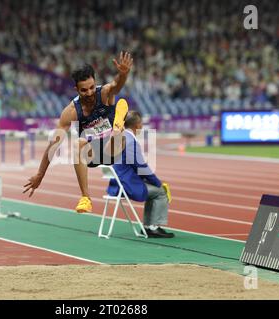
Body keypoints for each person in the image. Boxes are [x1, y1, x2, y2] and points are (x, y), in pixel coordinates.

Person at [23, 51, 133, 213]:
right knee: (78, 143)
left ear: (95, 83)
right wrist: (40, 174)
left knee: (122, 129)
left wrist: (123, 74)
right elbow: (54, 144)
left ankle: (118, 125)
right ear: (76, 89)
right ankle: (85, 199)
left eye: (91, 87)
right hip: (96, 153)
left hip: (117, 146)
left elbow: (116, 85)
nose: (89, 93)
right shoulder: (71, 112)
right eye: (84, 90)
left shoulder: (104, 93)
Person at [107, 111, 174, 238]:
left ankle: (149, 226)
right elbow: (140, 167)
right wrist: (157, 182)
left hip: (117, 183)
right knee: (160, 192)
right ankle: (153, 227)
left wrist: (149, 180)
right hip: (127, 184)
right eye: (141, 123)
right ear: (137, 125)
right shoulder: (130, 141)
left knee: (153, 189)